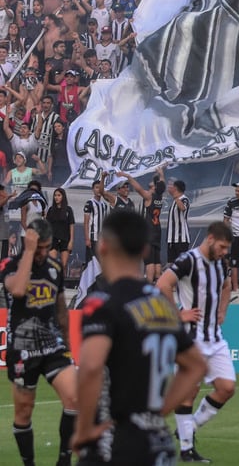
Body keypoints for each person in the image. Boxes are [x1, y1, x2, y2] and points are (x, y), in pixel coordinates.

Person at [73, 210, 206, 465]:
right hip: (158, 442)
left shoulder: (102, 302)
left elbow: (90, 368)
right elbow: (197, 364)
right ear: (146, 250)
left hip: (114, 439)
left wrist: (84, 430)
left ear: (103, 246)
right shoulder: (160, 304)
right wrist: (160, 411)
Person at [157, 222, 234, 464]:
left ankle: (187, 429)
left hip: (215, 337)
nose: (224, 252)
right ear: (210, 239)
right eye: (222, 247)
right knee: (189, 392)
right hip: (192, 338)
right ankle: (187, 449)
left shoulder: (221, 263)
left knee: (227, 388)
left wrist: (222, 311)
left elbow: (227, 286)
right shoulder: (188, 260)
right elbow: (162, 284)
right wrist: (177, 314)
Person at [3, 219, 78, 466]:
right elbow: (18, 290)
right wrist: (29, 252)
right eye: (40, 247)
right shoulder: (12, 266)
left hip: (52, 344)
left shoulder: (54, 267)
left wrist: (67, 344)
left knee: (75, 398)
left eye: (46, 247)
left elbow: (61, 311)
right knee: (24, 411)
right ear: (30, 242)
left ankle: (64, 460)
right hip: (22, 348)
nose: (44, 253)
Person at [45, 187, 74, 271]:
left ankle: (62, 282)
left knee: (63, 265)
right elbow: (47, 225)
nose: (56, 197)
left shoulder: (68, 210)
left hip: (65, 239)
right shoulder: (51, 210)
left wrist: (71, 241)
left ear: (63, 197)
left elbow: (71, 225)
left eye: (59, 195)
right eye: (55, 195)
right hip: (53, 239)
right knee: (52, 264)